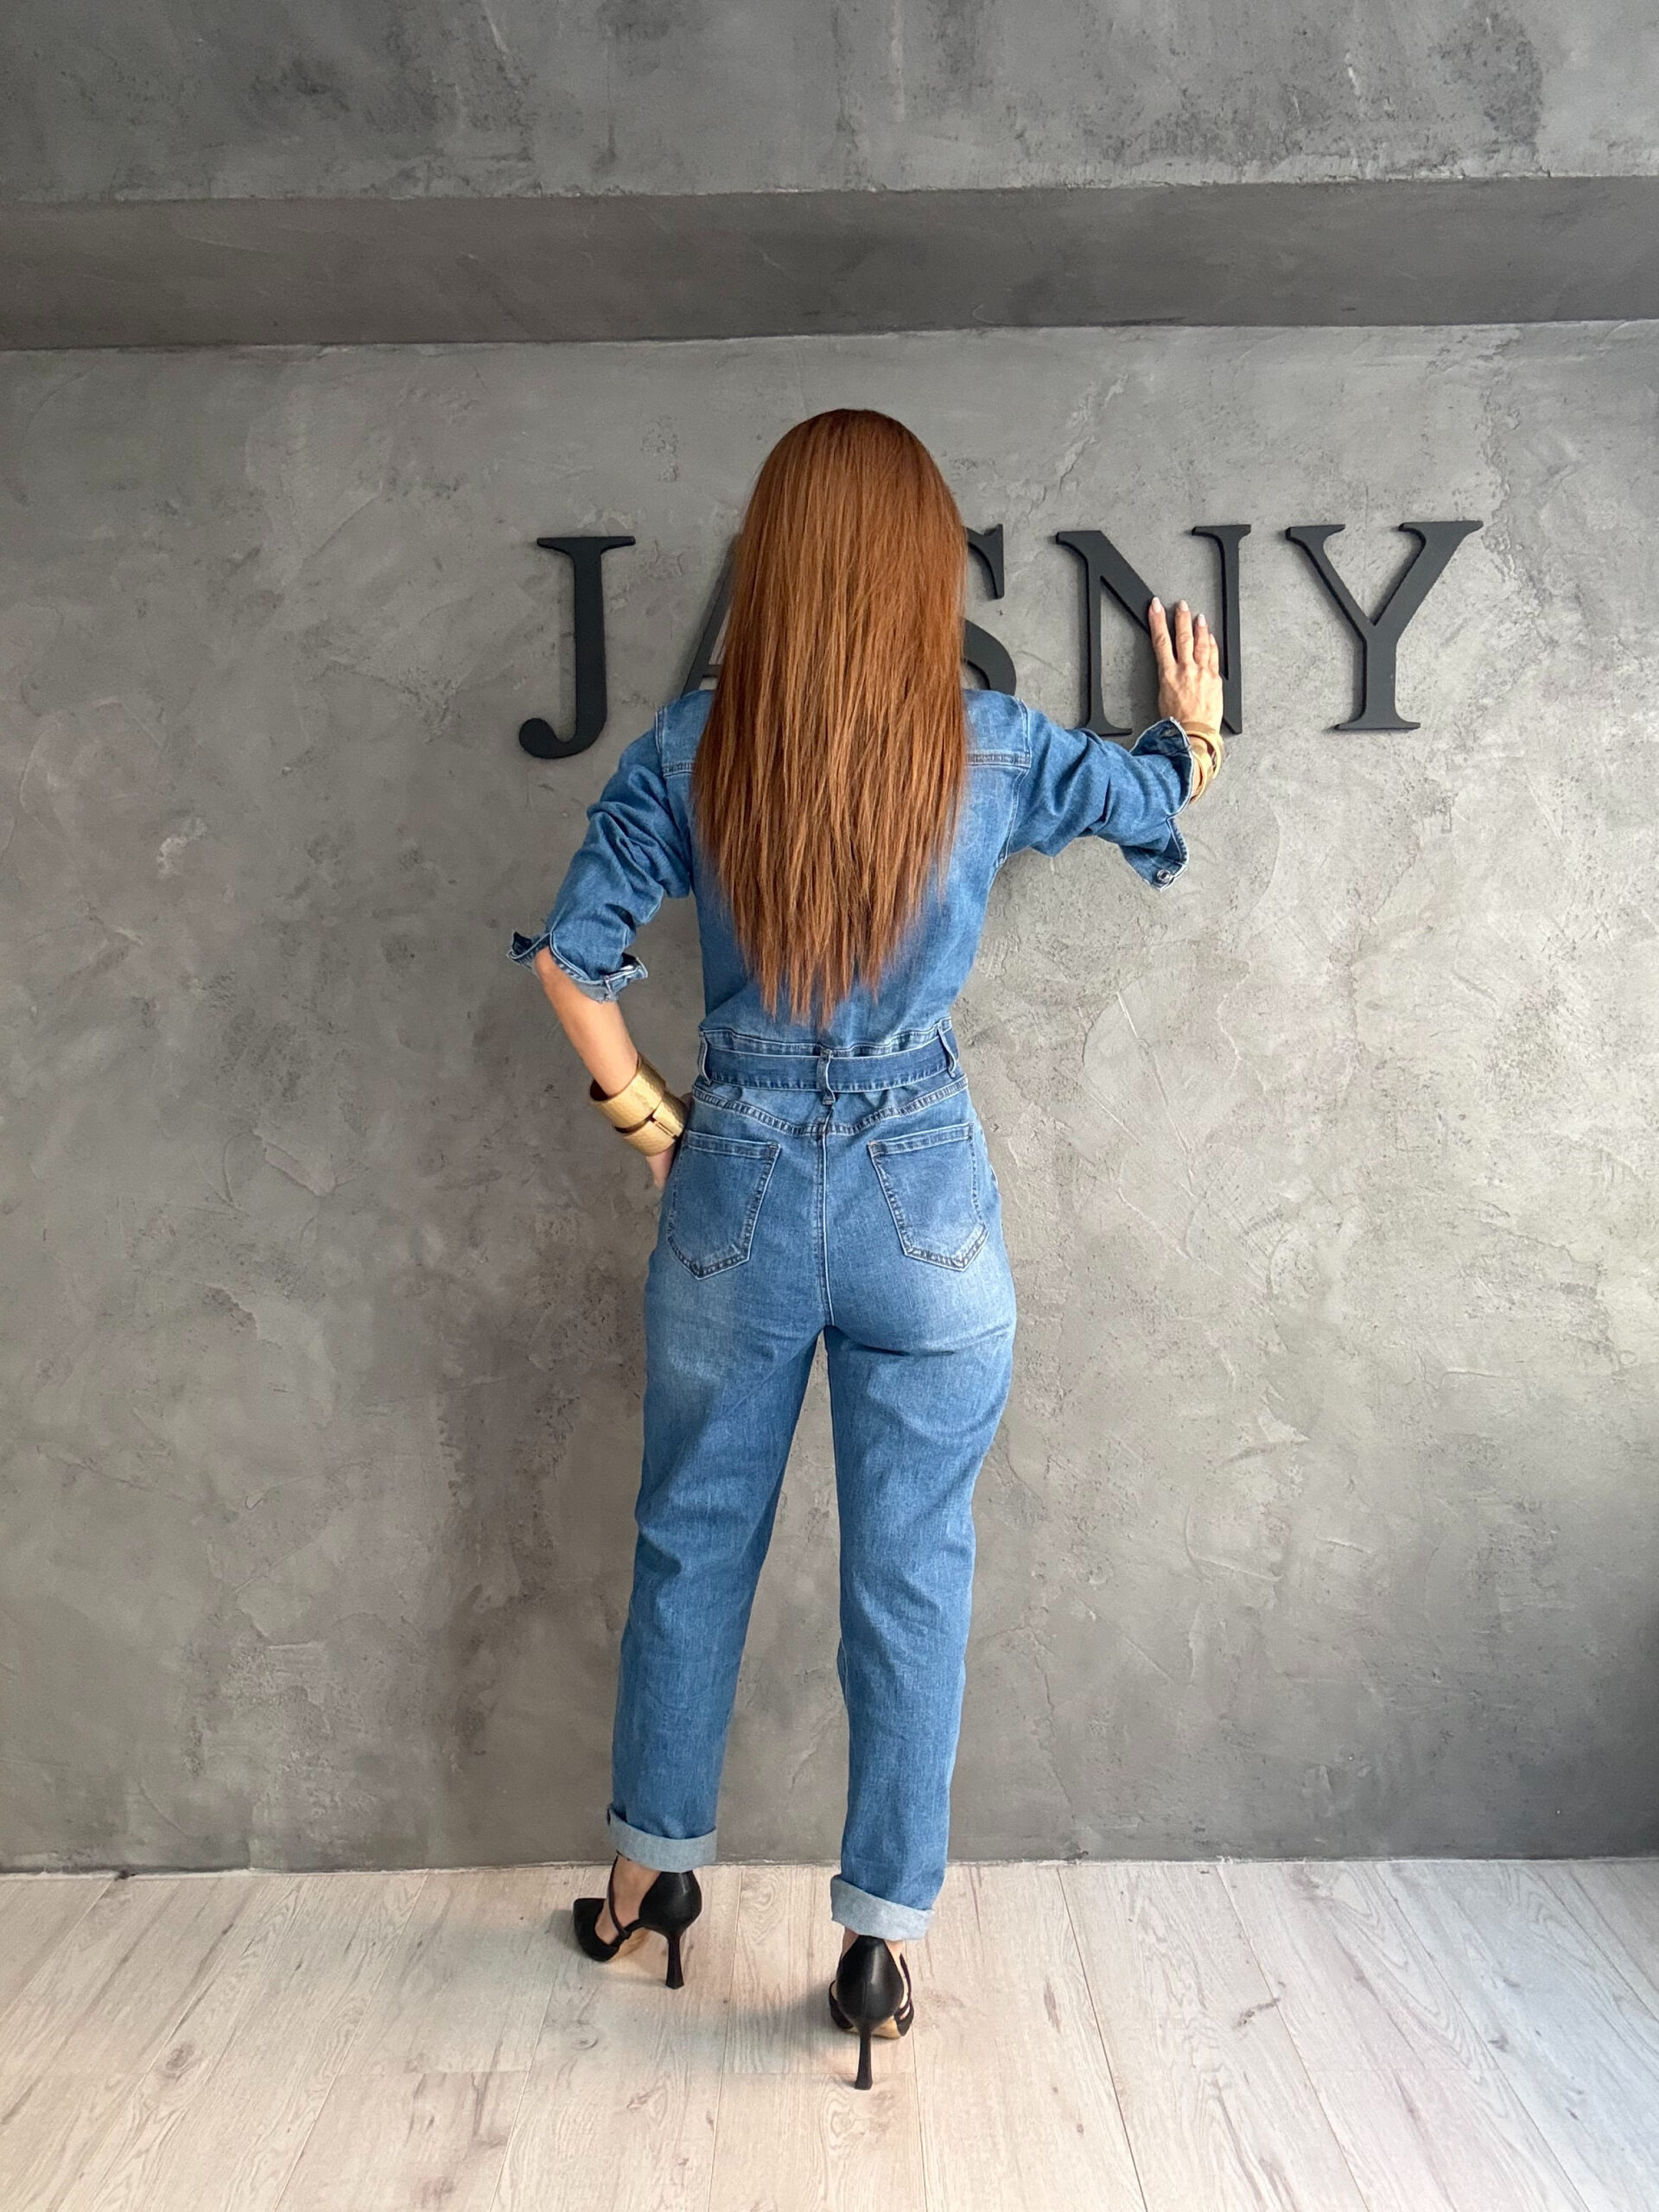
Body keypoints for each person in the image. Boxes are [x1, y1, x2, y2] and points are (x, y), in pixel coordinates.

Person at [505, 408, 1224, 2088]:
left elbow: (570, 960)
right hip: (926, 1197)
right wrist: (1191, 735)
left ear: (773, 561)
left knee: (691, 1545)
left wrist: (654, 1124)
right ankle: (882, 1943)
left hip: (737, 1181)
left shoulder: (695, 743)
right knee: (913, 1573)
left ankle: (646, 1883)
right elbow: (1148, 799)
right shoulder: (989, 742)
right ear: (916, 570)